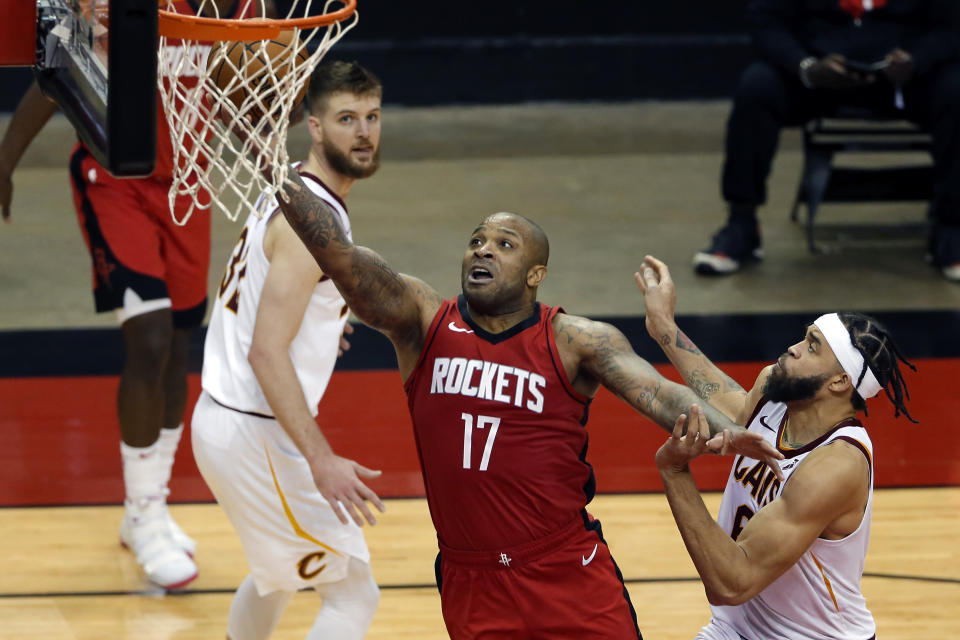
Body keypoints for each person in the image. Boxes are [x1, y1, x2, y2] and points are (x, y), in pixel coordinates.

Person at [228, 117, 790, 636]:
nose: (484, 250)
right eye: (476, 240)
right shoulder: (423, 321)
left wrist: (721, 429)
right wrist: (275, 165)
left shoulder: (575, 339)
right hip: (472, 581)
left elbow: (658, 391)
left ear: (536, 274)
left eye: (504, 244)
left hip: (565, 570)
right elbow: (341, 257)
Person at [0, 0, 262, 589]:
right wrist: (5, 159)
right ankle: (145, 517)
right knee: (146, 340)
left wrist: (276, 108)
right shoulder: (112, 5)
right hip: (114, 178)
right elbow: (53, 78)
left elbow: (243, 97)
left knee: (175, 345)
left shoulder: (232, 8)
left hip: (188, 185)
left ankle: (149, 504)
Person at [191, 60, 385, 640]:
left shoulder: (293, 187)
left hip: (225, 424)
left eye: (372, 116)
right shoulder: (315, 221)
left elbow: (267, 295)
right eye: (346, 118)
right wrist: (322, 461)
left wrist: (323, 321)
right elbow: (266, 354)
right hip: (254, 434)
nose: (364, 132)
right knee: (354, 597)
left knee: (276, 578)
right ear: (316, 127)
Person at [636, 255, 916, 640]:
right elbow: (733, 405)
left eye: (812, 347)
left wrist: (675, 472)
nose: (794, 348)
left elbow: (733, 583)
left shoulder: (836, 465)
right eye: (805, 337)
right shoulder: (774, 389)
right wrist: (663, 326)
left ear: (838, 383)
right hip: (737, 627)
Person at [692, 0, 960, 281]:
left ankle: (951, 227)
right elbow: (766, 22)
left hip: (904, 77)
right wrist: (804, 65)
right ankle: (741, 223)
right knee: (757, 87)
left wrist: (918, 60)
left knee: (956, 91)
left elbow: (951, 27)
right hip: (820, 74)